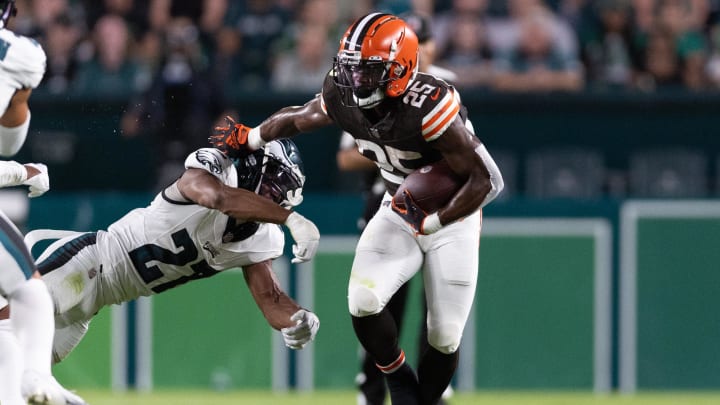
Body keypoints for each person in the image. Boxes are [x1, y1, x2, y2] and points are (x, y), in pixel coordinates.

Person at [210, 12, 504, 405]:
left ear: (400, 70)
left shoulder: (429, 105)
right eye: (350, 69)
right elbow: (300, 117)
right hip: (398, 204)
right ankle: (398, 379)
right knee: (363, 301)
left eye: (368, 71)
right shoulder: (341, 94)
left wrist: (434, 221)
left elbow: (488, 180)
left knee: (444, 335)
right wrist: (251, 137)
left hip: (453, 216)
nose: (355, 81)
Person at [1, 137, 321, 365]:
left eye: (279, 196)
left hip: (95, 303)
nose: (274, 200)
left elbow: (271, 301)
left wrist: (298, 318)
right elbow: (217, 198)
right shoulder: (215, 172)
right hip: (89, 263)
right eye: (273, 187)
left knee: (17, 377)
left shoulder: (262, 238)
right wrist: (290, 218)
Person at [336, 11, 457, 405]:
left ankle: (430, 393)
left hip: (438, 203)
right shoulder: (365, 82)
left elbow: (467, 162)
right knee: (379, 300)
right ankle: (372, 391)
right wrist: (396, 148)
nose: (421, 46)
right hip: (387, 199)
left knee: (439, 307)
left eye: (424, 39)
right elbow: (346, 156)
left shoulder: (443, 87)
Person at [0, 1, 87, 404]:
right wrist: (24, 173)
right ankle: (37, 379)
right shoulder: (22, 54)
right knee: (30, 294)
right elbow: (9, 142)